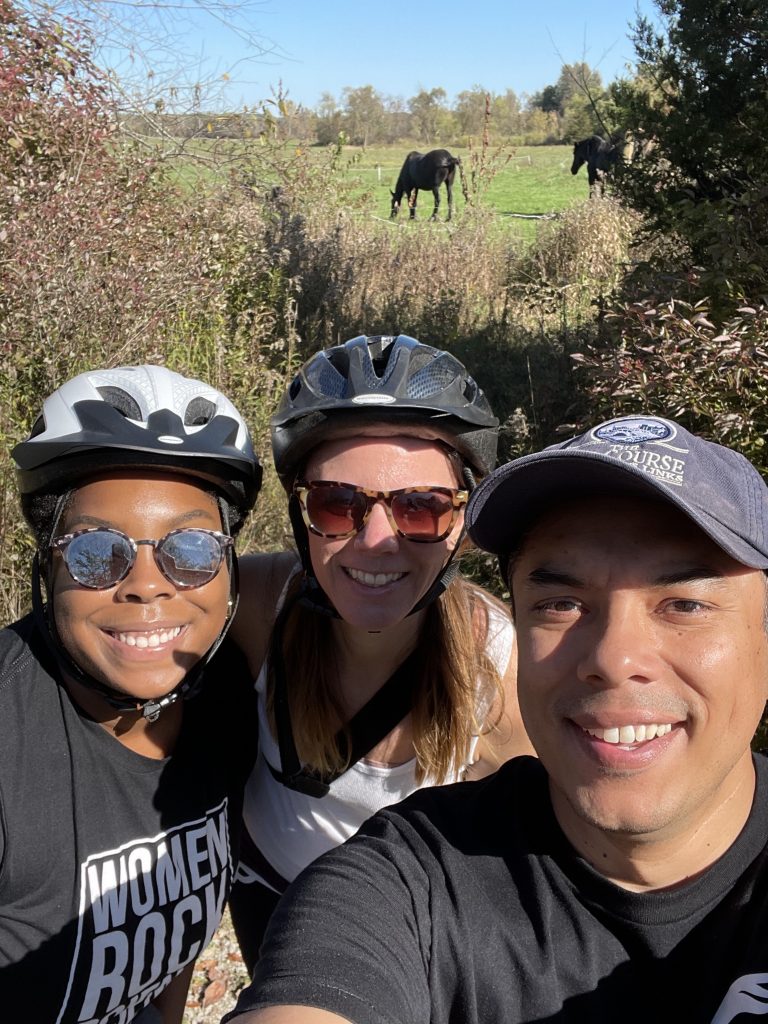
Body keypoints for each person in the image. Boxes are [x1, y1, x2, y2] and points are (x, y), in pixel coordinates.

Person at [223, 413, 768, 1024]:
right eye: (562, 603)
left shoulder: (487, 666)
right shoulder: (406, 877)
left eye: (685, 603)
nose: (615, 659)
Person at [228, 334, 533, 970]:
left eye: (419, 508)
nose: (375, 541)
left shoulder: (498, 669)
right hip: (269, 906)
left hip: (406, 943)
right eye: (338, 504)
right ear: (300, 512)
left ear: (460, 527)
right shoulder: (256, 605)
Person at [0, 365, 262, 1024]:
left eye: (193, 549)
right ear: (47, 568)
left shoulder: (226, 697)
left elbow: (164, 970)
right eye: (96, 552)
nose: (147, 585)